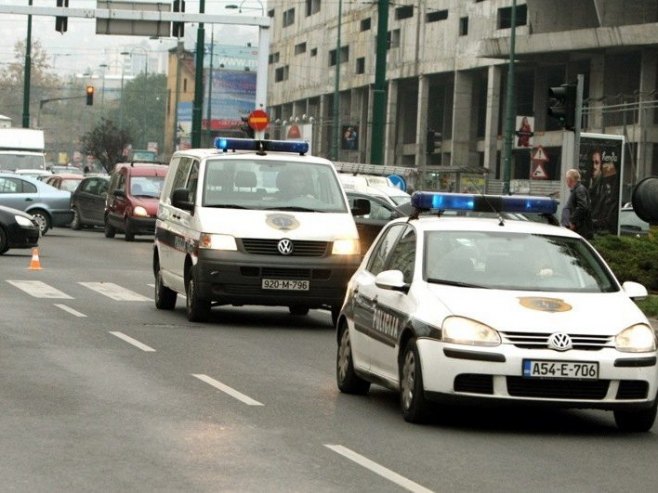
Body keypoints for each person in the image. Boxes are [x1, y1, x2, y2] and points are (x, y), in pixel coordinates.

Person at [565, 168, 594, 239]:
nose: (566, 181)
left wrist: (572, 221)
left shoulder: (579, 190)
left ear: (570, 179)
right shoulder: (577, 189)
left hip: (580, 229)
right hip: (579, 228)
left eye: (566, 179)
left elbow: (582, 207)